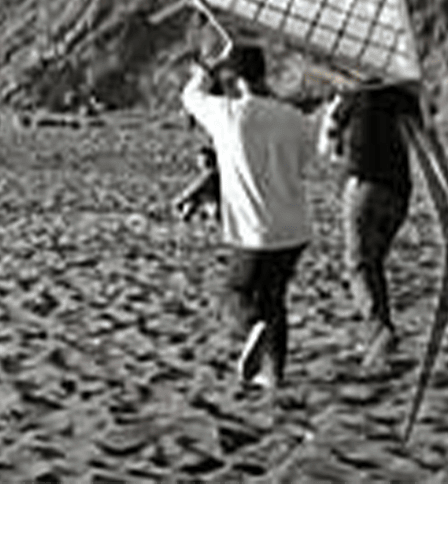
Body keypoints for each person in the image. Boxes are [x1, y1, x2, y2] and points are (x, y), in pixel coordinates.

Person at [180, 43, 316, 392]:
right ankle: (273, 375)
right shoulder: (294, 119)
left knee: (235, 296)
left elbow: (191, 96)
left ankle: (255, 327)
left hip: (255, 230)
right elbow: (305, 162)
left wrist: (206, 71)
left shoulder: (228, 114)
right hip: (294, 228)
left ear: (234, 77)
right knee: (275, 298)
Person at [317, 80, 424, 373]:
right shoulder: (403, 97)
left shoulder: (351, 95)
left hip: (364, 187)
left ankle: (380, 331)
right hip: (399, 191)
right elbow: (426, 143)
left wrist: (332, 116)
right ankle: (379, 338)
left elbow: (325, 148)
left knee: (358, 265)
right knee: (374, 263)